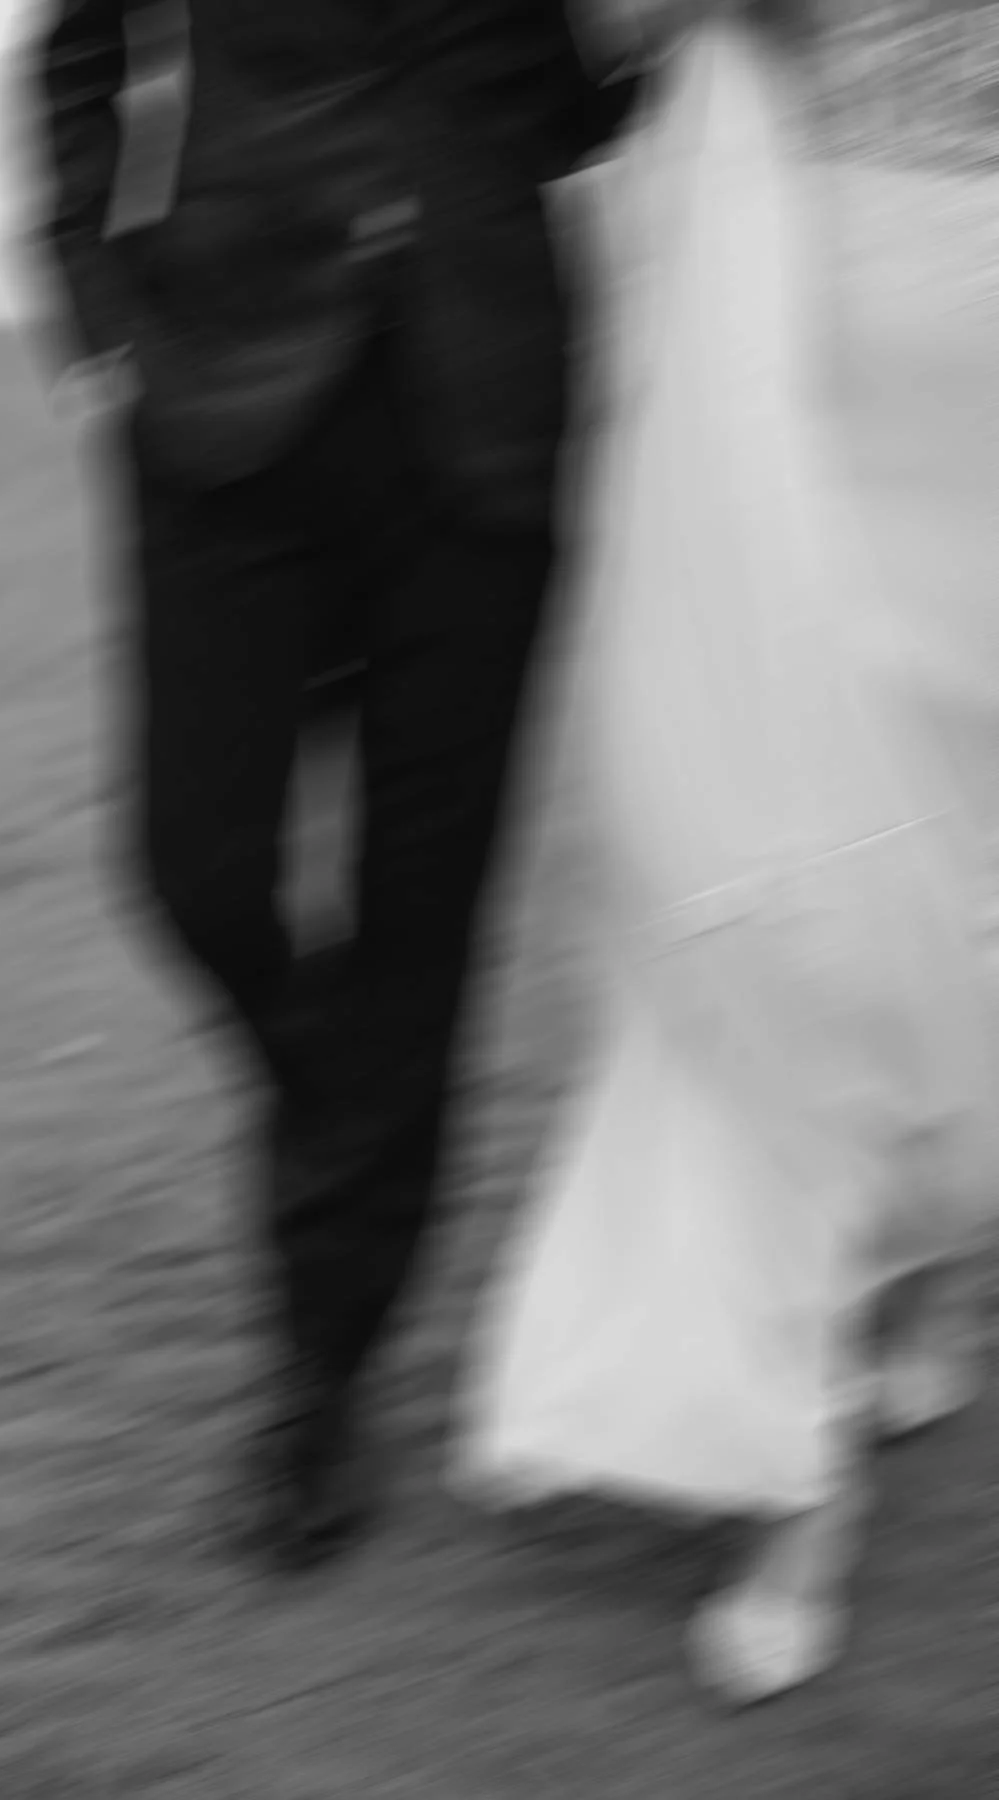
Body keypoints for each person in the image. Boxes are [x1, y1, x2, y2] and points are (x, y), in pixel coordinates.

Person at [16, 1, 650, 1573]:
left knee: (419, 924)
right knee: (197, 872)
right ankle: (353, 1118)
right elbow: (75, 59)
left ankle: (317, 1390)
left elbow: (570, 116)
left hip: (482, 413)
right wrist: (94, 318)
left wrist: (631, 38)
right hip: (215, 393)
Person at [454, 0, 999, 1706]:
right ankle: (797, 1485)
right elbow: (611, 27)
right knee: (804, 910)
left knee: (964, 890)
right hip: (815, 375)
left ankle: (934, 1273)